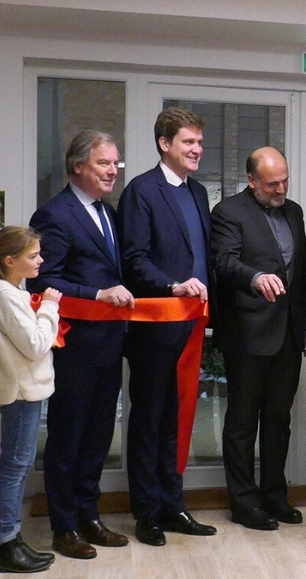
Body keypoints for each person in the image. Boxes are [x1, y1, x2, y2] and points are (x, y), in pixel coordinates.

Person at [27, 131, 134, 559]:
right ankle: (64, 526)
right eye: (104, 164)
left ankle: (90, 516)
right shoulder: (54, 214)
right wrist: (96, 295)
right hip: (74, 346)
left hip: (110, 344)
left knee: (98, 436)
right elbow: (42, 279)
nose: (112, 172)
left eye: (115, 165)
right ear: (77, 167)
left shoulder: (108, 212)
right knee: (69, 436)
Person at [117, 107, 217, 546]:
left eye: (199, 142)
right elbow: (134, 260)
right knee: (149, 419)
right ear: (164, 144)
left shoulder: (198, 193)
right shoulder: (142, 191)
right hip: (155, 328)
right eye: (188, 142)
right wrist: (175, 285)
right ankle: (147, 512)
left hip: (192, 329)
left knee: (178, 419)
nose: (197, 149)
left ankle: (173, 505)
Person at [210, 147, 306, 531]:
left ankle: (275, 497)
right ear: (252, 180)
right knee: (242, 423)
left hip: (288, 336)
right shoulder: (228, 213)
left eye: (285, 181)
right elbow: (224, 262)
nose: (281, 189)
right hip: (247, 335)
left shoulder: (294, 212)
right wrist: (254, 278)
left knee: (278, 421)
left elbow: (300, 274)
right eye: (273, 183)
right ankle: (243, 503)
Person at [0, 226, 61, 573]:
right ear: (10, 261)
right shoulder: (5, 295)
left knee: (17, 467)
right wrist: (50, 307)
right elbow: (35, 344)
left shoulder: (7, 291)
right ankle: (5, 543)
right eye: (33, 256)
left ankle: (11, 538)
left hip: (20, 390)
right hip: (20, 392)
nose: (41, 260)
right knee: (15, 468)